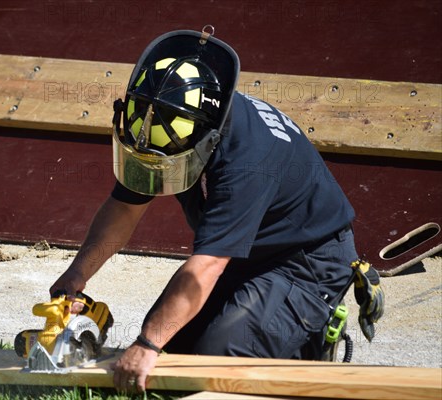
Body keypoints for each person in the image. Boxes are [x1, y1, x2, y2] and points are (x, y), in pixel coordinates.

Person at [50, 27, 380, 392]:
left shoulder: (248, 161)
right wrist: (76, 276)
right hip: (247, 253)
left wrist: (146, 344)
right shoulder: (161, 116)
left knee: (217, 361)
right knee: (175, 362)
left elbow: (208, 264)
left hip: (305, 264)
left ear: (206, 139)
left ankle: (311, 338)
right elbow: (125, 208)